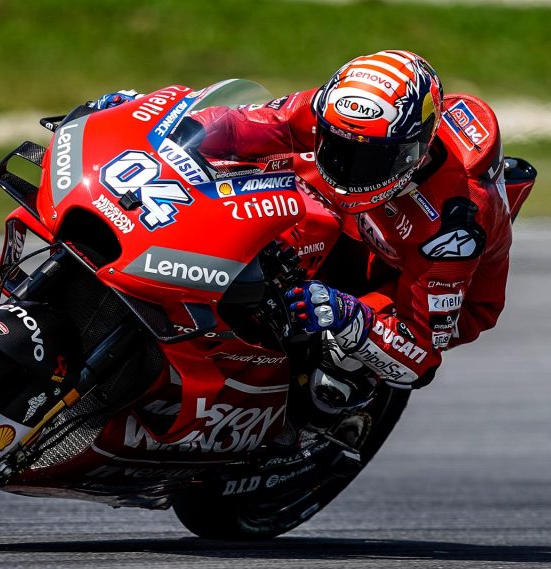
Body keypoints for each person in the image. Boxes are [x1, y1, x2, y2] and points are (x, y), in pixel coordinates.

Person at [94, 50, 514, 421]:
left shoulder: (452, 228)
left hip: (412, 280)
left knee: (334, 376)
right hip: (347, 219)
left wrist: (352, 317)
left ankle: (294, 432)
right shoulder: (329, 111)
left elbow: (421, 356)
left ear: (415, 148)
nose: (349, 169)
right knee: (257, 196)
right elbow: (243, 127)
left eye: (369, 158)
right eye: (338, 147)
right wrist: (159, 124)